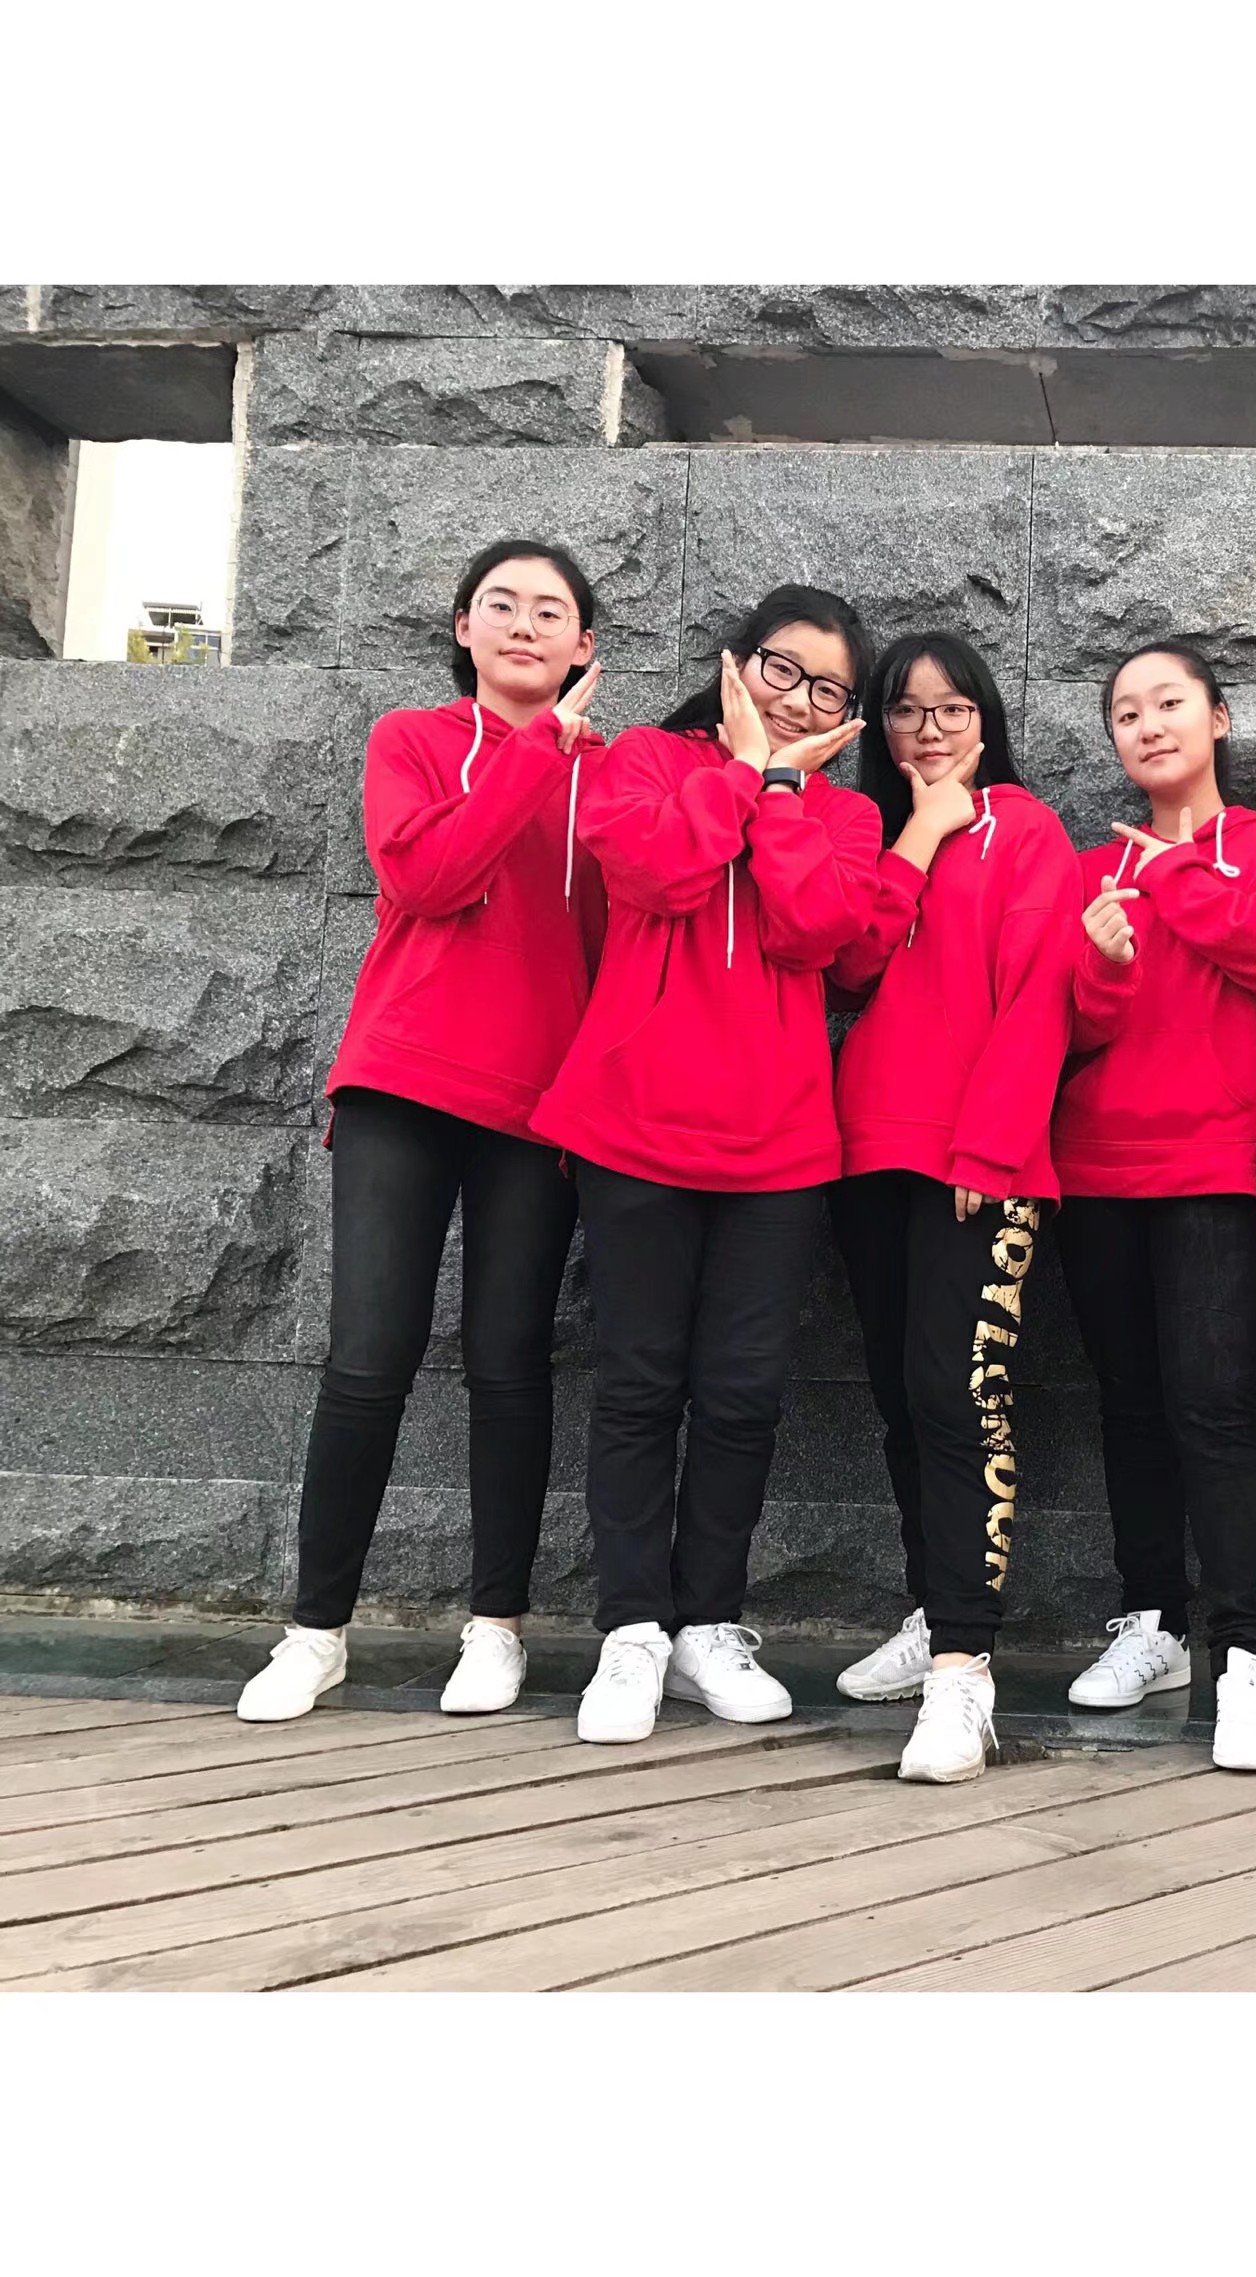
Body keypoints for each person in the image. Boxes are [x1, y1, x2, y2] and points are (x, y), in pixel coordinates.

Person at [238, 541, 606, 1723]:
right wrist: (536, 752)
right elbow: (428, 879)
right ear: (462, 628)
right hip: (401, 1079)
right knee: (369, 1357)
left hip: (535, 1102)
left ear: (584, 645)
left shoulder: (608, 777)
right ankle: (315, 1633)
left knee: (510, 1363)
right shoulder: (411, 740)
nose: (524, 625)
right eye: (501, 605)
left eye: (549, 611)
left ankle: (496, 1629)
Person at [529, 587, 874, 1745]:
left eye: (829, 689)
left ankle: (708, 1625)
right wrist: (737, 773)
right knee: (638, 1385)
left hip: (780, 1145)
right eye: (784, 671)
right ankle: (633, 1629)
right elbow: (655, 875)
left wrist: (781, 792)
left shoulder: (845, 815)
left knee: (741, 1395)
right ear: (735, 666)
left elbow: (813, 932)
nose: (801, 699)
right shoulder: (642, 760)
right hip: (636, 1127)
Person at [1051, 641, 1256, 1773]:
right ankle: (1152, 1622)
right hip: (1095, 1166)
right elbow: (1069, 1028)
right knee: (1128, 1403)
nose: (1148, 725)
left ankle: (1244, 1652)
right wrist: (1103, 965)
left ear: (1219, 718)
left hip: (1215, 1164)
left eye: (1169, 703)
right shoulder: (1086, 870)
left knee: (1215, 1404)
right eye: (1126, 713)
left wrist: (1174, 880)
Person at [827, 631, 1081, 1784]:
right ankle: (935, 1610)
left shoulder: (1026, 829)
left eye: (952, 709)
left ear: (987, 719)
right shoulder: (876, 834)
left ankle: (964, 1670)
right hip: (869, 1153)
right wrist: (920, 834)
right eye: (905, 709)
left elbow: (1042, 995)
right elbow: (849, 965)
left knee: (958, 1396)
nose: (928, 730)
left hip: (984, 1162)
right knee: (899, 1399)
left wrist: (992, 1138)